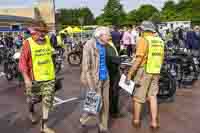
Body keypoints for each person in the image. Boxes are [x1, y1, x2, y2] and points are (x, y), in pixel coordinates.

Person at [19, 20, 56, 133]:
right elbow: (22, 62)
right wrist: (26, 78)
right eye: (40, 31)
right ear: (34, 31)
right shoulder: (28, 43)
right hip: (35, 79)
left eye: (44, 31)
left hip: (49, 78)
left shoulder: (47, 41)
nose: (42, 34)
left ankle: (44, 126)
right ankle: (31, 111)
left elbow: (50, 53)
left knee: (47, 101)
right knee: (32, 100)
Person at [127, 21, 164, 130]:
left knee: (138, 97)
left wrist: (130, 74)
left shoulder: (143, 40)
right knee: (152, 96)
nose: (140, 32)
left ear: (144, 30)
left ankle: (136, 120)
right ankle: (154, 122)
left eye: (141, 30)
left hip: (144, 71)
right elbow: (162, 58)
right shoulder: (160, 41)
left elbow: (138, 59)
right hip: (156, 71)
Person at [80, 26, 111, 133]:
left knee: (105, 103)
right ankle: (84, 117)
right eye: (108, 34)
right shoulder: (89, 45)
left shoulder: (106, 45)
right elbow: (86, 67)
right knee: (96, 103)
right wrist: (91, 85)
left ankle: (103, 126)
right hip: (94, 79)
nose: (110, 36)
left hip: (105, 77)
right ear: (100, 35)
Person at [106, 40, 120, 118]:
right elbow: (113, 59)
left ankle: (112, 110)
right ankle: (113, 111)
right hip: (112, 71)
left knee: (112, 91)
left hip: (112, 71)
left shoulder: (110, 44)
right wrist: (120, 61)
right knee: (113, 91)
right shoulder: (107, 46)